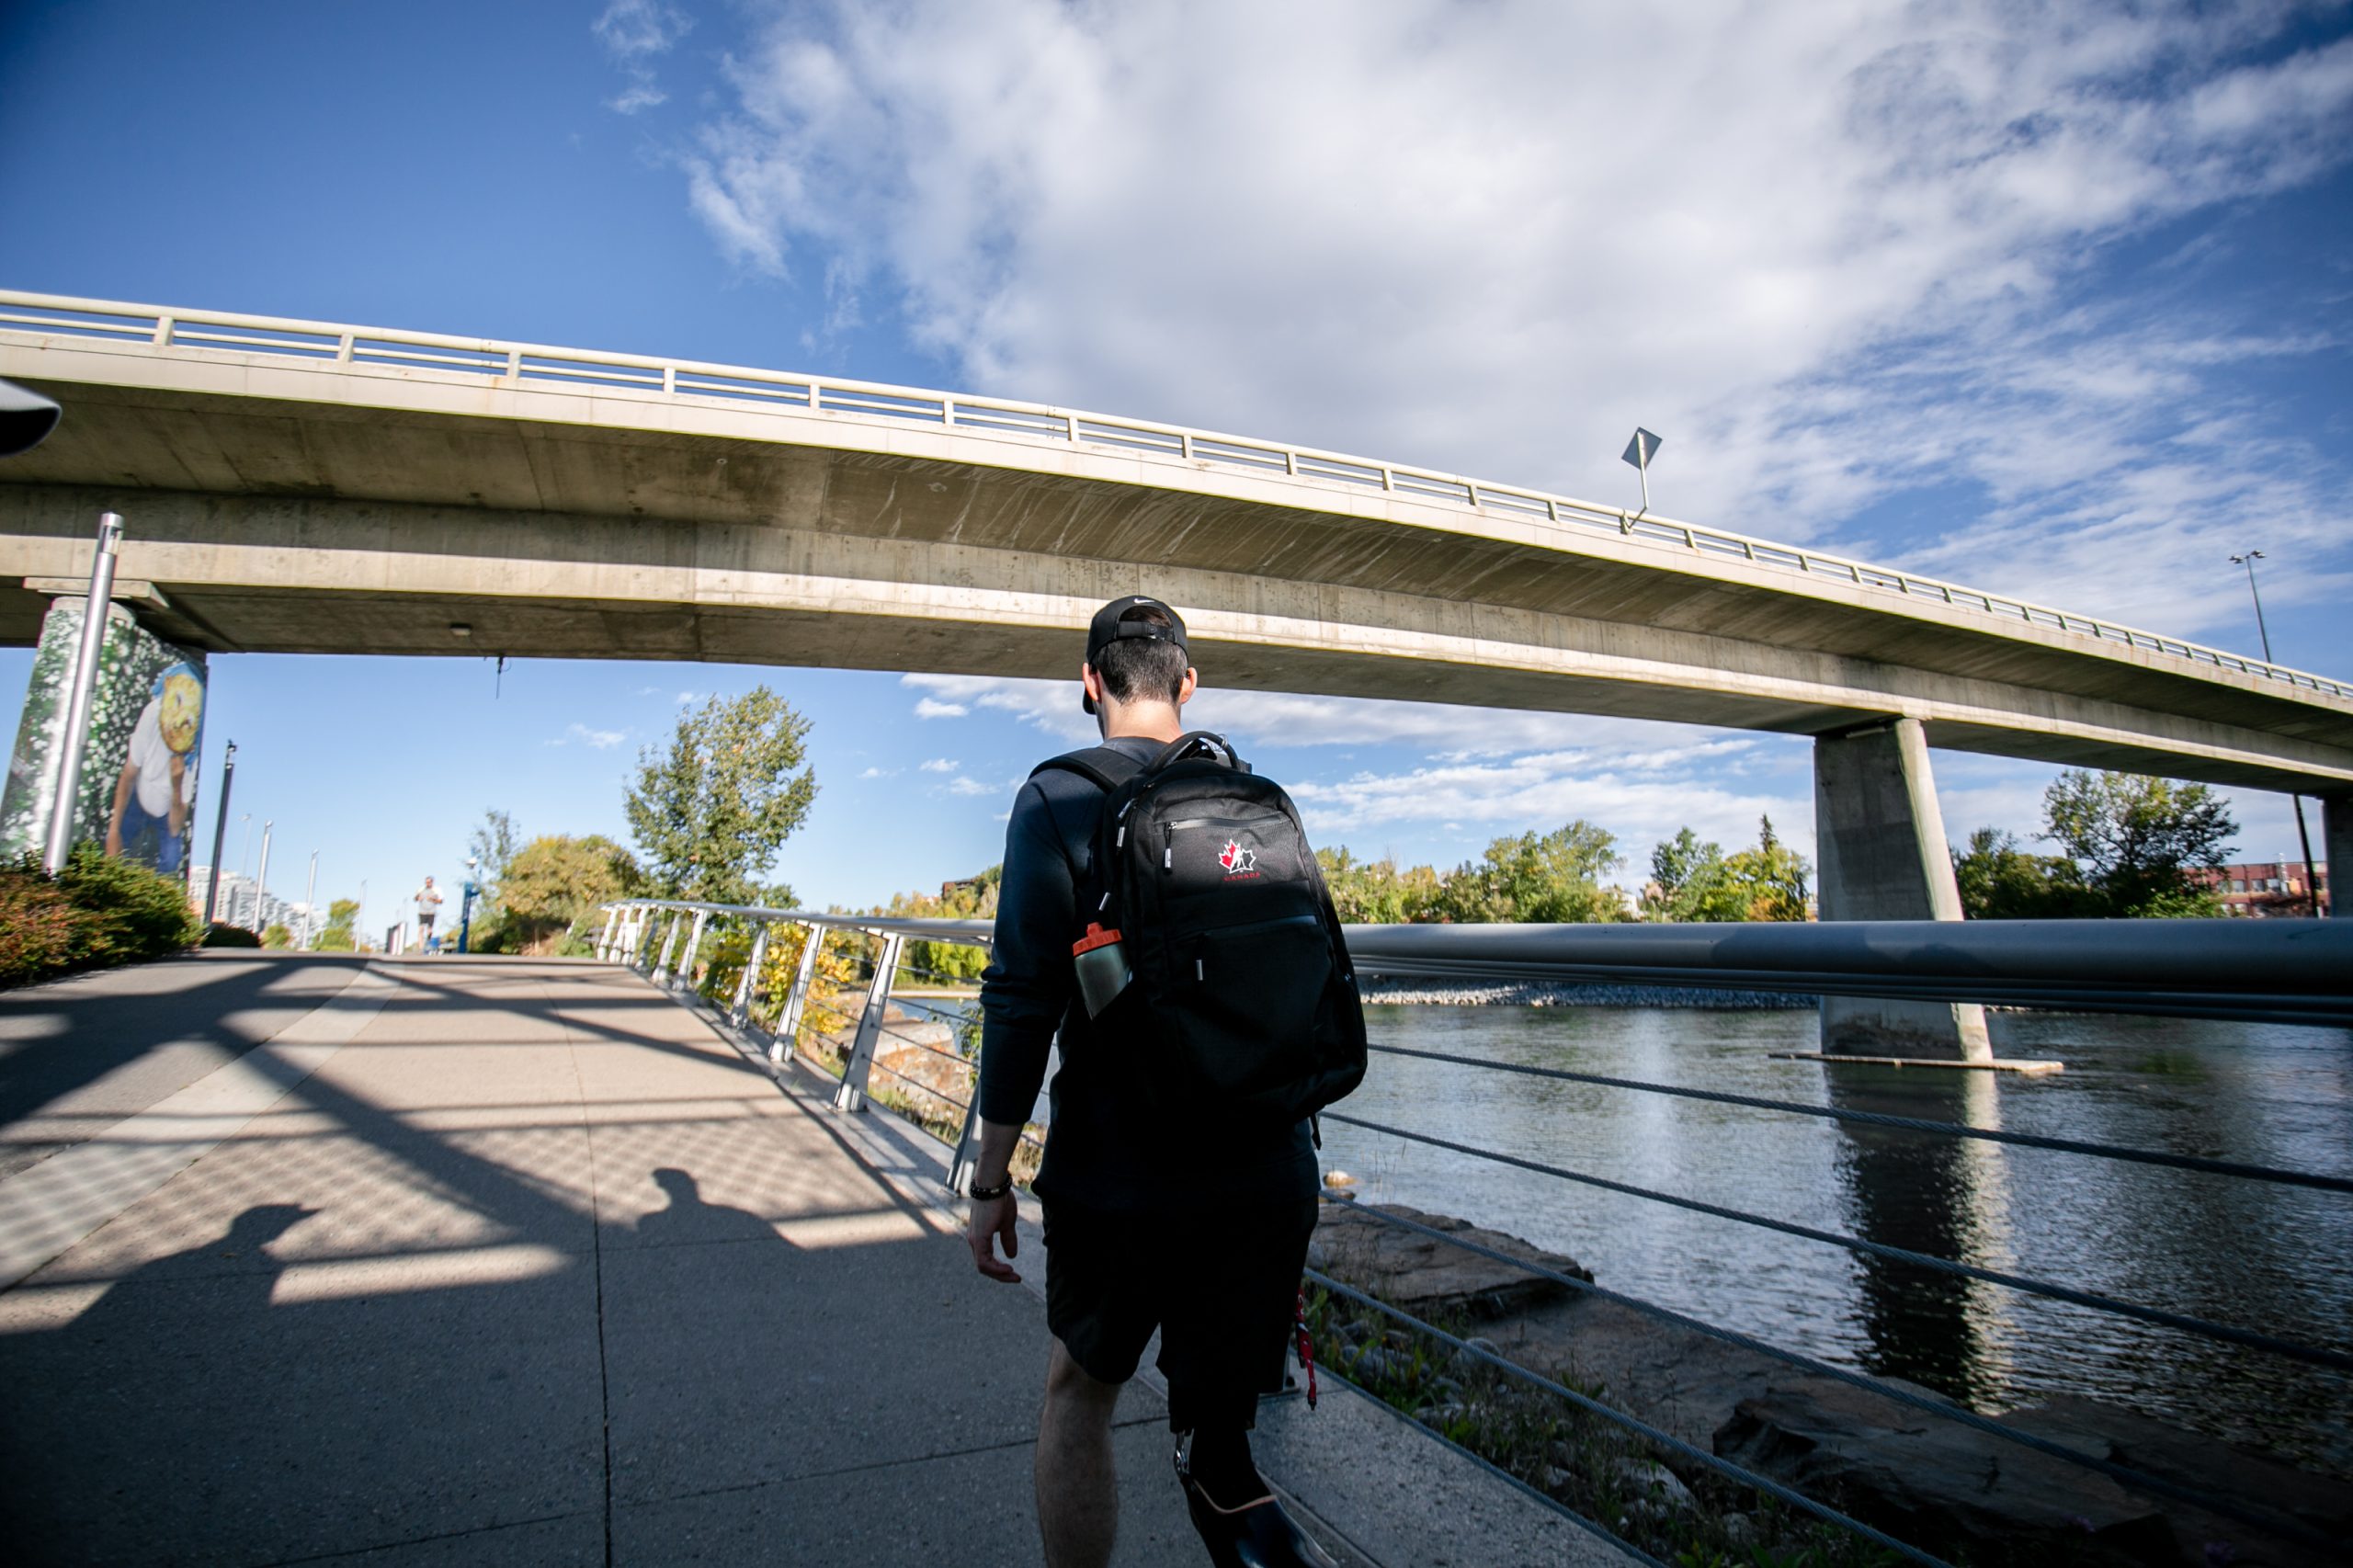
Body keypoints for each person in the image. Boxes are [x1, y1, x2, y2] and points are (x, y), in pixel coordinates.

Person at [967, 596, 1333, 1568]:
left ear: (1087, 683)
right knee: (1221, 1445)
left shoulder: (1055, 797)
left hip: (1121, 1176)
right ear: (1188, 682)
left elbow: (1019, 998)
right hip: (1265, 1167)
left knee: (1077, 1396)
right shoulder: (1258, 803)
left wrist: (990, 1177)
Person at [413, 878, 444, 949]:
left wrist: (432, 899)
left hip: (431, 912)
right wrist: (418, 898)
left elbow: (441, 901)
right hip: (422, 912)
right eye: (426, 882)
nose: (427, 884)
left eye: (429, 882)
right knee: (421, 929)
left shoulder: (436, 891)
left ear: (432, 882)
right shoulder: (421, 890)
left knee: (429, 930)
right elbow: (415, 899)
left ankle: (428, 943)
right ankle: (421, 948)